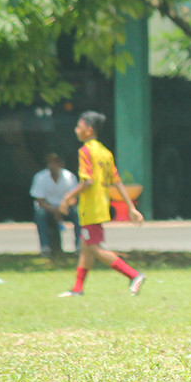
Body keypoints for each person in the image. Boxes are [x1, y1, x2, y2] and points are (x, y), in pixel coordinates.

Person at [56, 111, 145, 297]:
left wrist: (67, 197)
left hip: (90, 208)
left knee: (94, 248)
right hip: (101, 206)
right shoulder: (105, 152)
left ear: (88, 130)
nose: (76, 130)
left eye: (79, 126)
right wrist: (131, 207)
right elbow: (117, 181)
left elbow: (87, 182)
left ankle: (133, 275)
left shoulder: (86, 151)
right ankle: (77, 289)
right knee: (86, 247)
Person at [31, 153, 81, 256]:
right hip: (48, 208)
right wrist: (54, 210)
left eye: (55, 163)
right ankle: (45, 247)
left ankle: (79, 246)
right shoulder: (40, 177)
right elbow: (40, 200)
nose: (52, 165)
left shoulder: (70, 177)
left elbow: (73, 199)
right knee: (40, 214)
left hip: (66, 207)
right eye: (50, 163)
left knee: (78, 212)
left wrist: (63, 208)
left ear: (61, 164)